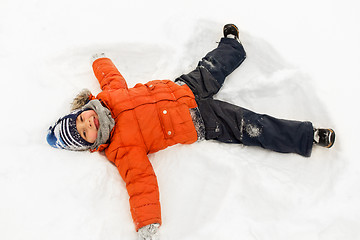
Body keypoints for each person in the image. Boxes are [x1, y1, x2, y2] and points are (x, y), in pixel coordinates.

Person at [46, 24, 335, 240]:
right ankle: (306, 136)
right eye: (84, 134)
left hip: (183, 88)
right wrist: (147, 221)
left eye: (82, 120)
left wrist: (99, 61)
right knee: (249, 124)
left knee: (211, 67)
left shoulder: (110, 94)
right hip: (198, 119)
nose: (89, 125)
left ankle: (232, 44)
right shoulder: (122, 148)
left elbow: (110, 75)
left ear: (84, 108)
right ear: (91, 144)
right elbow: (140, 182)